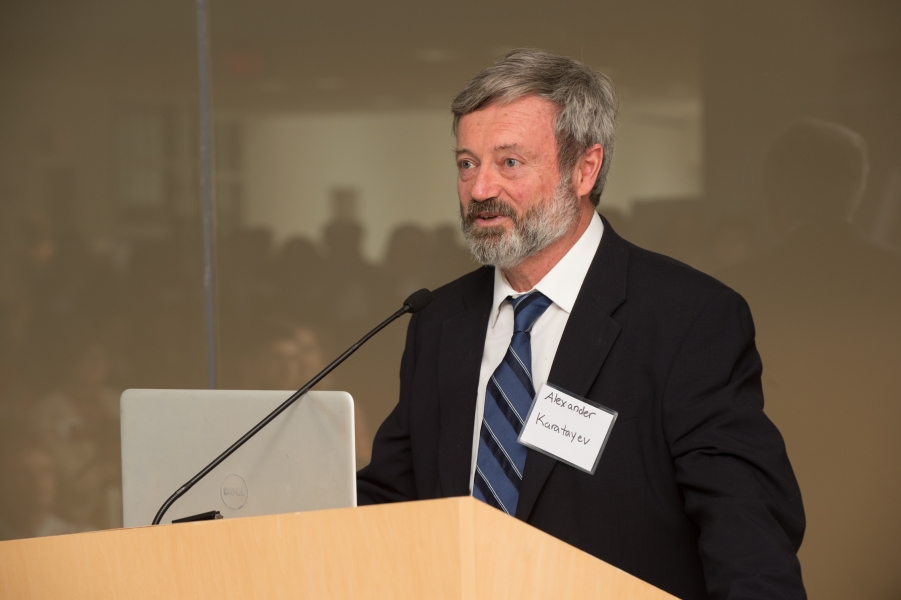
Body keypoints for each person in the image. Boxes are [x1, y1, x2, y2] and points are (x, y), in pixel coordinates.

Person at [357, 49, 806, 600]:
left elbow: (746, 530)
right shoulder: (439, 321)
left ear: (584, 169)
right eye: (467, 163)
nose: (479, 190)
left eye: (510, 163)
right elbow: (391, 503)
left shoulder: (689, 318)